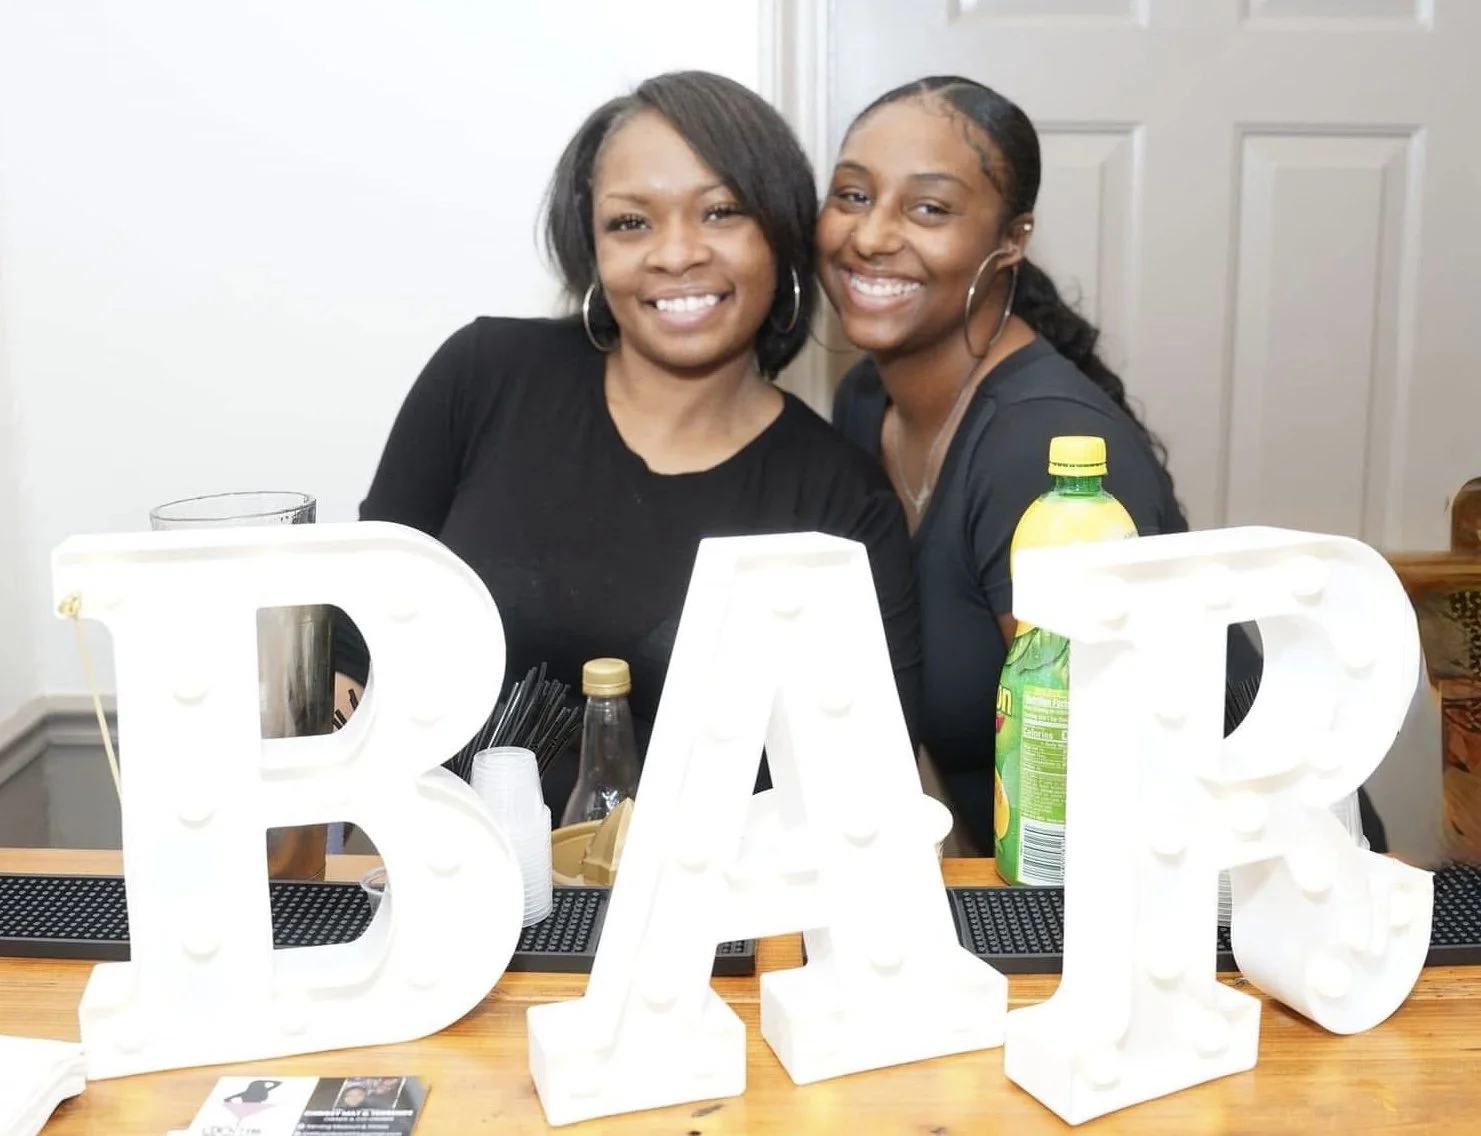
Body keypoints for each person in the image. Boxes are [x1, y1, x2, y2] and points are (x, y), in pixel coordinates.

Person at [821, 75, 1385, 856]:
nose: (871, 234)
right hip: (1047, 882)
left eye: (928, 208)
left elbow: (1111, 789)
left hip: (1225, 892)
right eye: (851, 195)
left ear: (1011, 238)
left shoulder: (1034, 453)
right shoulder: (864, 403)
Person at [333, 71, 921, 813]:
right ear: (591, 247)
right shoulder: (484, 377)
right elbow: (353, 640)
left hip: (701, 913)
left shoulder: (839, 499)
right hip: (443, 878)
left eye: (720, 212)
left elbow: (865, 773)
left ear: (779, 236)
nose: (674, 254)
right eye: (630, 223)